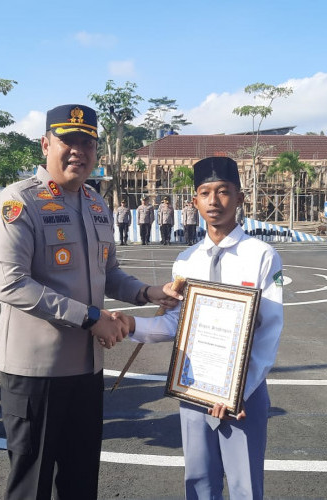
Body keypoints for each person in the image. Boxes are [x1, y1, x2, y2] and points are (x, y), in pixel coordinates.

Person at [0, 104, 179, 500]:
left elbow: (109, 274)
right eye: (67, 140)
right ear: (45, 144)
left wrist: (149, 293)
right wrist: (91, 318)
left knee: (80, 480)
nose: (78, 150)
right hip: (36, 371)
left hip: (87, 369)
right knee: (32, 484)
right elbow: (11, 284)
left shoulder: (95, 202)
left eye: (87, 142)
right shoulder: (18, 203)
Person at [127, 156, 284, 500]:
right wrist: (129, 325)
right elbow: (175, 323)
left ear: (240, 198)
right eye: (205, 192)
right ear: (195, 201)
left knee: (245, 484)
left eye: (224, 192)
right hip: (194, 388)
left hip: (244, 393)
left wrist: (239, 389)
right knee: (198, 480)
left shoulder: (262, 255)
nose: (214, 201)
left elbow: (270, 329)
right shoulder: (186, 259)